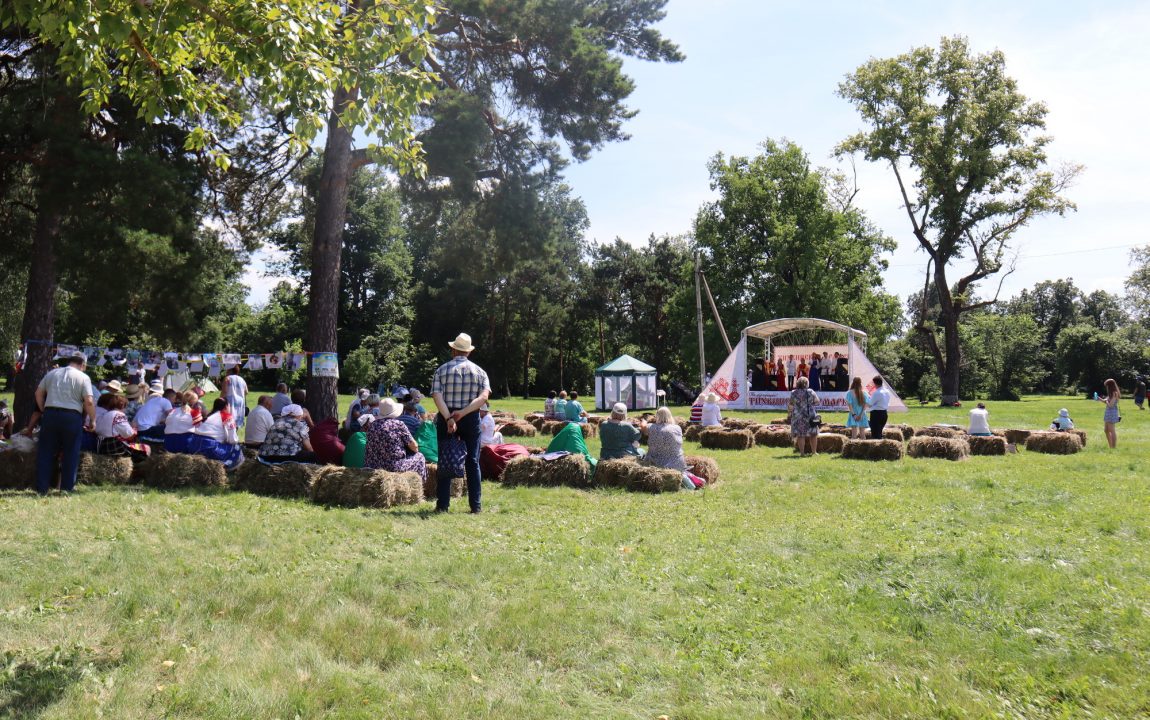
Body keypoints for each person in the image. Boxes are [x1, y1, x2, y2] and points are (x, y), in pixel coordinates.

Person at [431, 332, 491, 513]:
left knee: (445, 459)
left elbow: (437, 396)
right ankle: (476, 506)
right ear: (469, 352)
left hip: (446, 416)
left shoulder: (441, 370)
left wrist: (449, 417)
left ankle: (442, 505)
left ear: (453, 350)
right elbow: (484, 398)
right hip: (470, 418)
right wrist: (463, 413)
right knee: (472, 462)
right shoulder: (480, 372)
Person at [31, 352, 96, 494]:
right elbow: (89, 401)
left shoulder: (52, 373)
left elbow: (38, 393)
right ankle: (66, 489)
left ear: (69, 361)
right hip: (72, 416)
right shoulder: (83, 377)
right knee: (71, 453)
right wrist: (93, 419)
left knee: (45, 451)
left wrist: (43, 409)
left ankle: (42, 488)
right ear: (83, 365)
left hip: (50, 414)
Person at [364, 397, 427, 480]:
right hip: (393, 466)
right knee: (420, 457)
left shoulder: (372, 425)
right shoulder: (398, 425)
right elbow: (414, 446)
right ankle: (420, 485)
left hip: (372, 466)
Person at [644, 407, 703, 490]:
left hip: (657, 464)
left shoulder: (651, 427)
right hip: (677, 462)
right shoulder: (677, 428)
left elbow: (643, 428)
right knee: (680, 472)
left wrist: (644, 421)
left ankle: (690, 483)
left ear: (657, 416)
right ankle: (694, 482)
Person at [94, 393, 150, 461]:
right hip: (113, 446)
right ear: (122, 406)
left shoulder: (105, 414)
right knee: (145, 449)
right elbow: (129, 435)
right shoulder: (119, 415)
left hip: (101, 446)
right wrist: (134, 429)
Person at [194, 401, 244, 470]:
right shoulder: (227, 416)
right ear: (226, 407)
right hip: (210, 448)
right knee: (237, 447)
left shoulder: (208, 416)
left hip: (195, 447)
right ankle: (227, 468)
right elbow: (233, 440)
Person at [787, 375, 820, 456]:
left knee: (800, 435)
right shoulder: (810, 391)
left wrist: (789, 414)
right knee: (813, 434)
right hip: (810, 416)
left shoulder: (793, 392)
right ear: (806, 383)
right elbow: (817, 402)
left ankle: (802, 453)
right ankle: (814, 452)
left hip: (798, 416)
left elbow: (790, 404)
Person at [1096, 378, 1121, 449]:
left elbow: (1111, 405)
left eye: (1107, 386)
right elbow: (1106, 401)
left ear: (1110, 386)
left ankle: (1113, 447)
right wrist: (1099, 399)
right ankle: (1111, 446)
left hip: (1112, 413)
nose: (1106, 387)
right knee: (1106, 430)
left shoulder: (1114, 393)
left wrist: (1106, 401)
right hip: (1108, 412)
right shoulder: (1111, 393)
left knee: (1112, 430)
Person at [866, 375, 892, 440]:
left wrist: (864, 400)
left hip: (876, 414)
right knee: (879, 432)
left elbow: (870, 404)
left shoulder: (876, 393)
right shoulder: (887, 391)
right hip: (884, 413)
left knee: (875, 434)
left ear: (875, 383)